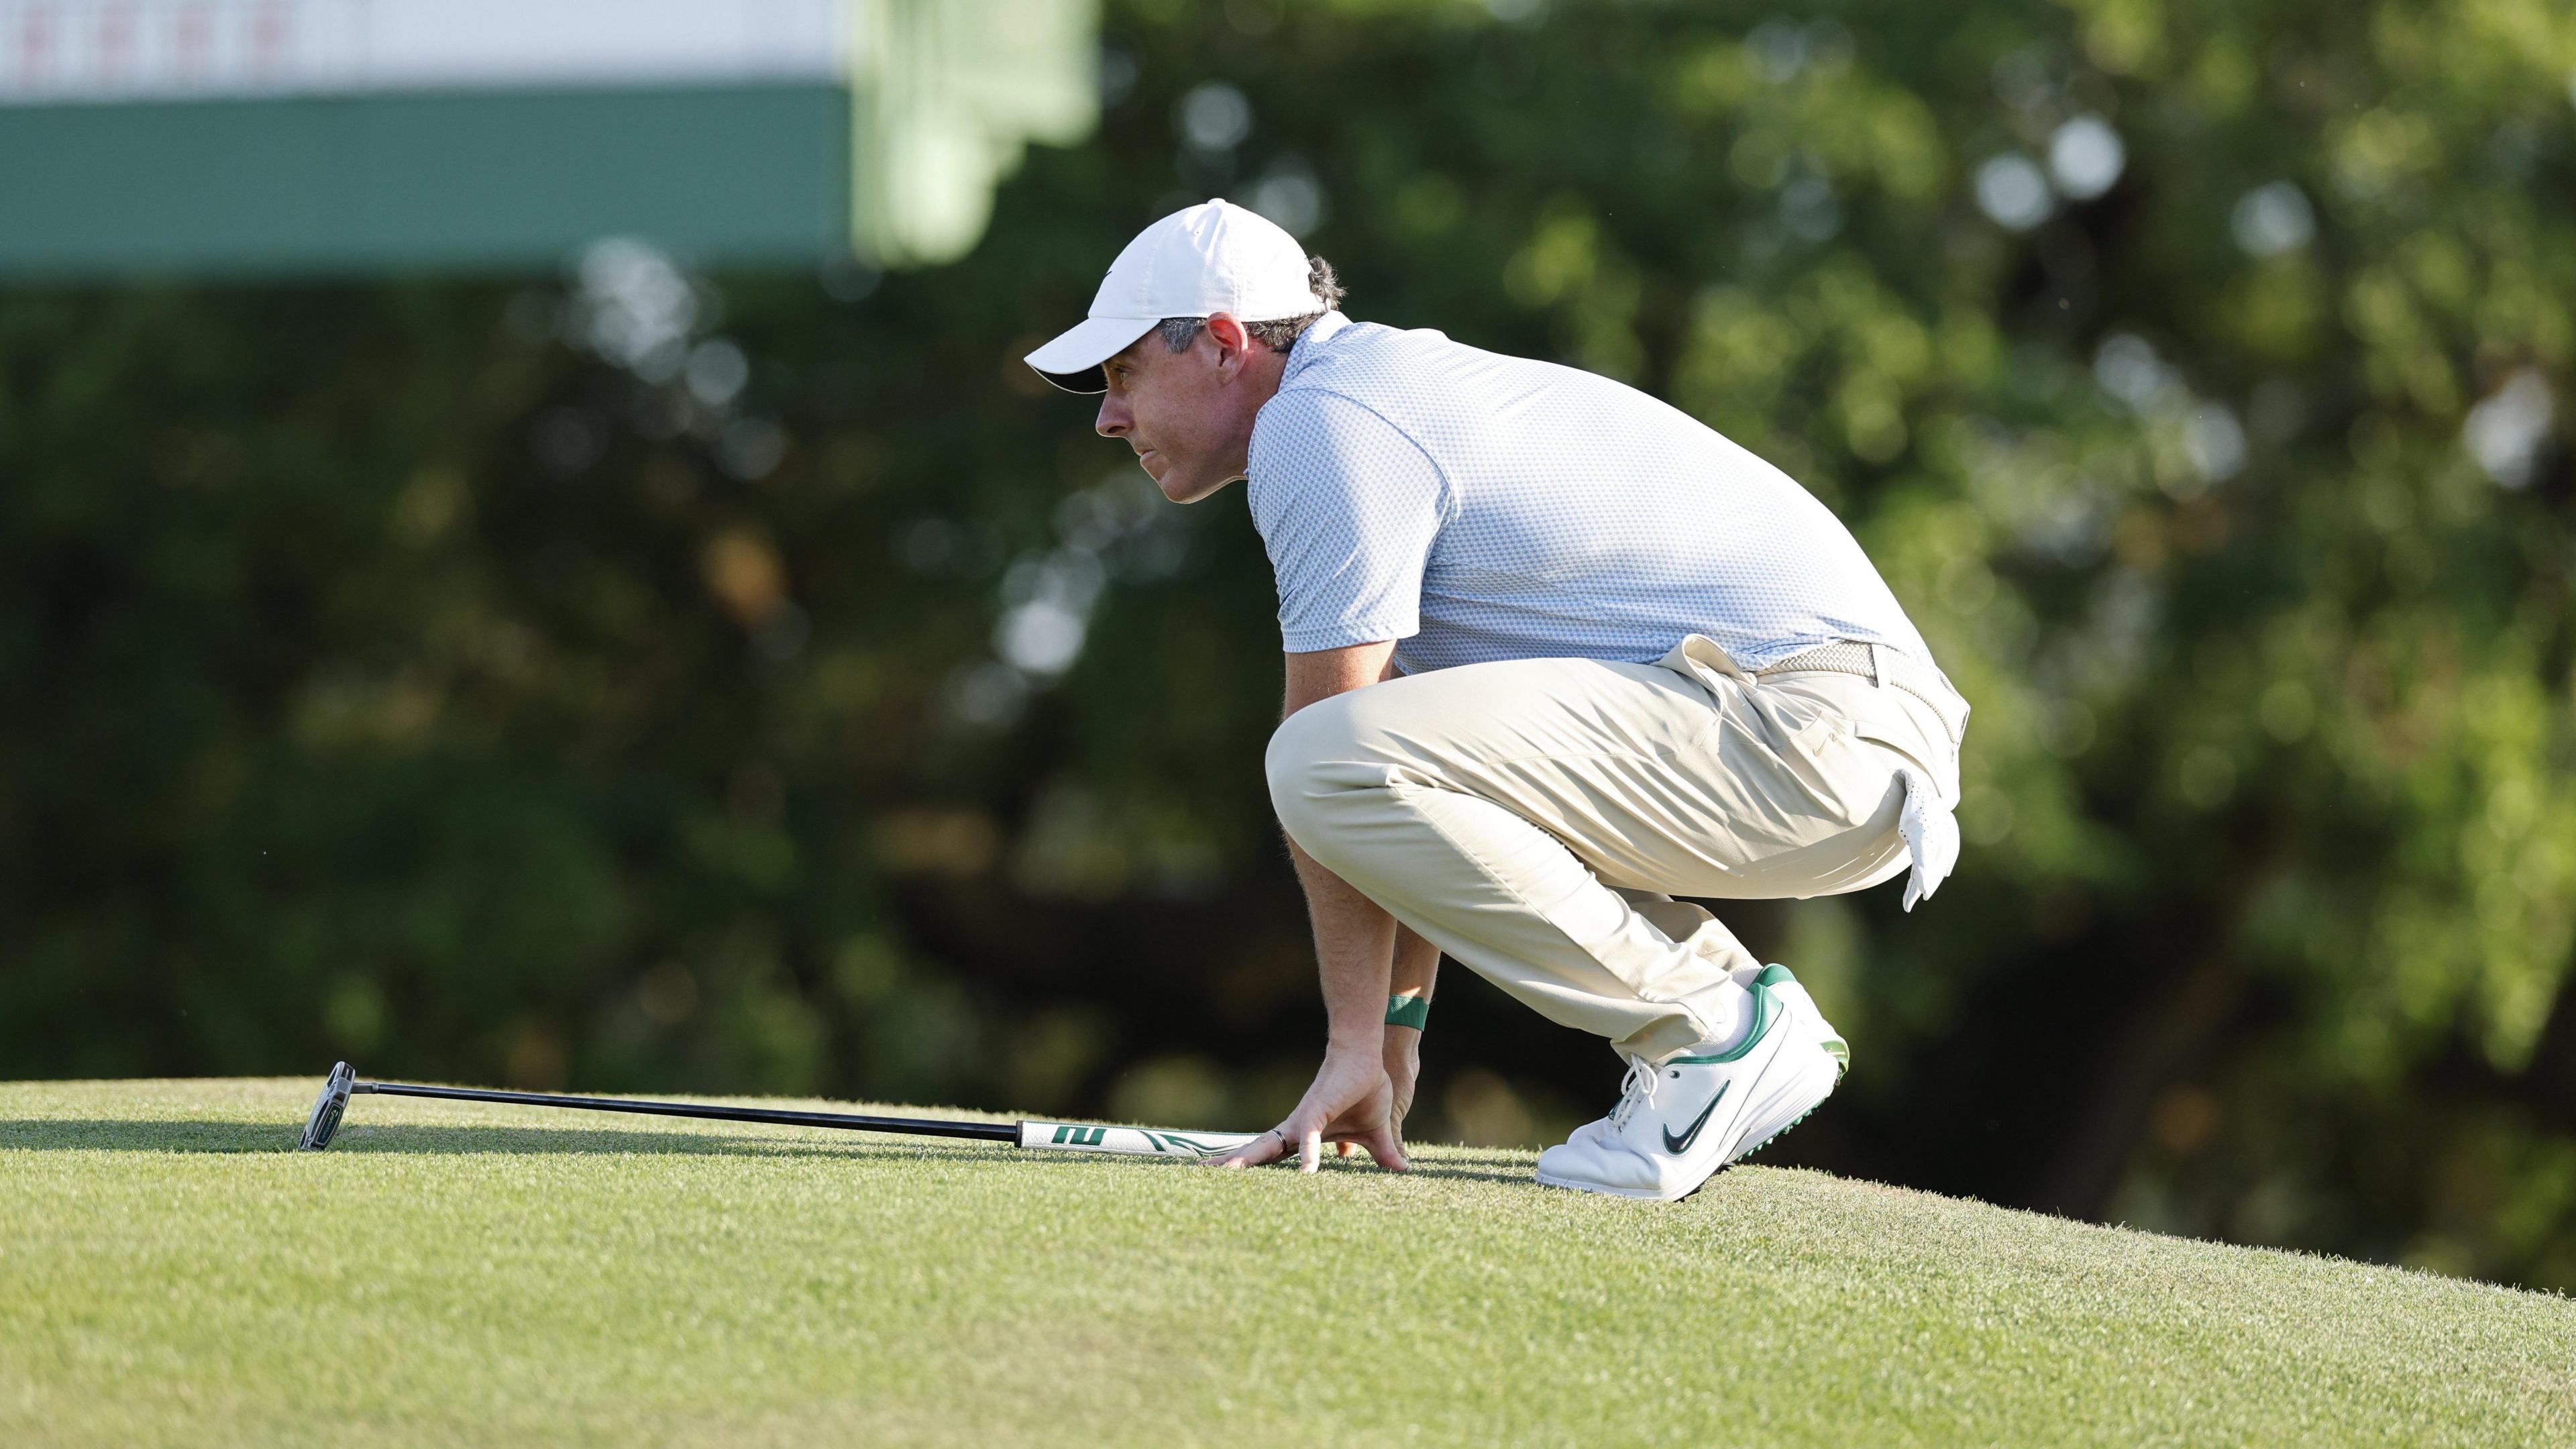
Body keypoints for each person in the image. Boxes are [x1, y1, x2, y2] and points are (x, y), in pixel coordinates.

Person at [1023, 201, 1968, 1201]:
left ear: (1223, 344)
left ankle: (1711, 1032)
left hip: (1809, 725)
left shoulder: (1324, 419)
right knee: (1356, 752)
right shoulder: (1374, 394)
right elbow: (1410, 782)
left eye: (1124, 374)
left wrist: (1349, 1043)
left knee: (1311, 757)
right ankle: (1727, 1014)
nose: (1108, 416)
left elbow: (1331, 758)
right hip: (1838, 745)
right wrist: (1388, 1048)